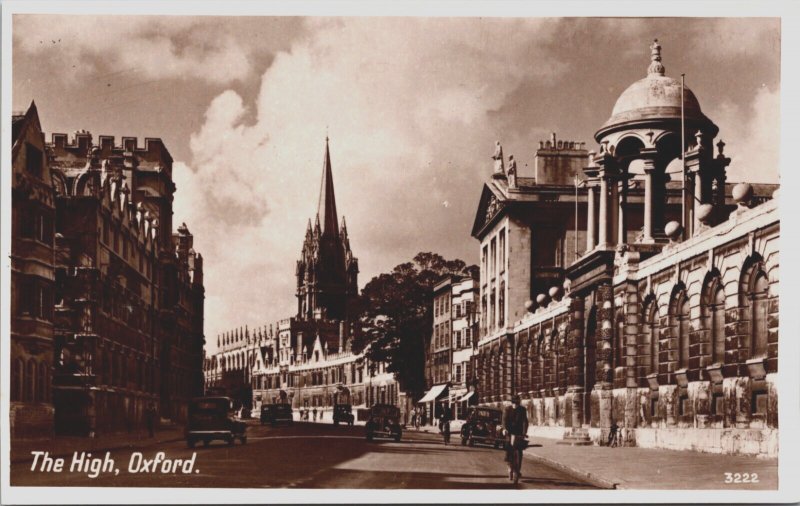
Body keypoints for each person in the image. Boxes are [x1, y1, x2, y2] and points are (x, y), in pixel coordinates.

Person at [503, 395, 529, 483]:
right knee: (508, 450)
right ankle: (510, 468)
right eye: (514, 404)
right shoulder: (507, 409)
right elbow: (504, 420)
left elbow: (525, 421)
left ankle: (517, 470)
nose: (515, 406)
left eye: (517, 404)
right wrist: (505, 429)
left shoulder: (522, 410)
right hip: (509, 432)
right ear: (512, 403)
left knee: (519, 452)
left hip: (518, 433)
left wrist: (524, 432)